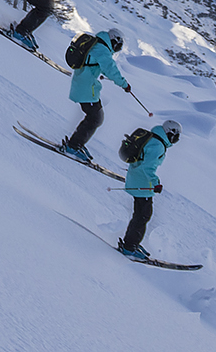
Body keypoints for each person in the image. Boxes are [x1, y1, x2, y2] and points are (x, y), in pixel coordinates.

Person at [61, 26, 132, 163]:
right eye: (118, 46)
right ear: (114, 41)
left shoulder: (97, 45)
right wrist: (125, 85)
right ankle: (73, 145)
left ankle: (75, 143)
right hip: (87, 88)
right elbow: (111, 70)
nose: (117, 49)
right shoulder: (102, 51)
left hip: (84, 85)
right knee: (95, 118)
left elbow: (99, 66)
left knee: (94, 117)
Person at [116, 119, 181, 260]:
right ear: (170, 134)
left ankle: (131, 243)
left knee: (140, 214)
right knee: (143, 215)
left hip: (137, 179)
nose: (176, 141)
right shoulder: (158, 145)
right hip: (142, 183)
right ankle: (129, 247)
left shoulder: (153, 138)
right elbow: (148, 167)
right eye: (176, 137)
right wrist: (156, 183)